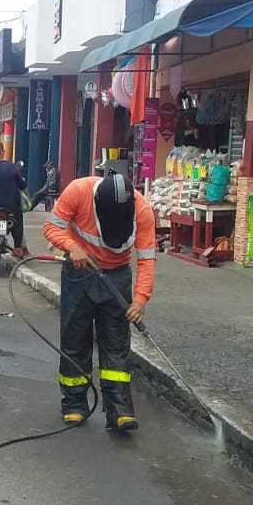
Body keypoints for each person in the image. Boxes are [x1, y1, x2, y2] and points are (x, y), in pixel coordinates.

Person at [43, 171, 157, 432]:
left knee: (117, 342)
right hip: (79, 273)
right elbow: (51, 228)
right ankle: (74, 404)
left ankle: (119, 410)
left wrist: (140, 299)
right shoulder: (78, 191)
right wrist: (71, 246)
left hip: (117, 277)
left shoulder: (142, 211)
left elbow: (147, 258)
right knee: (75, 339)